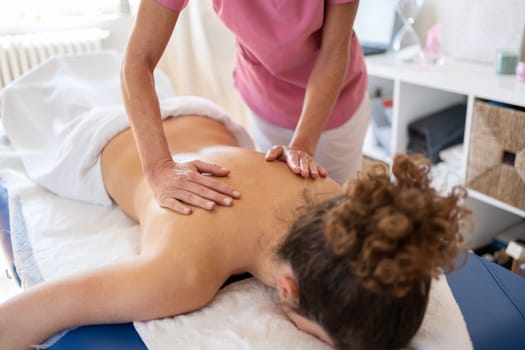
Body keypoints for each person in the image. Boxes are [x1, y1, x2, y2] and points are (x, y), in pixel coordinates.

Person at [0, 107, 469, 349]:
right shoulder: (182, 275)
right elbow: (35, 311)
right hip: (105, 136)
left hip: (206, 116)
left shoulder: (339, 200)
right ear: (288, 290)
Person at [121, 0, 370, 215]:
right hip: (264, 97)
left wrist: (302, 146)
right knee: (286, 207)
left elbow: (334, 52)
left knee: (336, 212)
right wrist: (158, 167)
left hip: (333, 107)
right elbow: (137, 62)